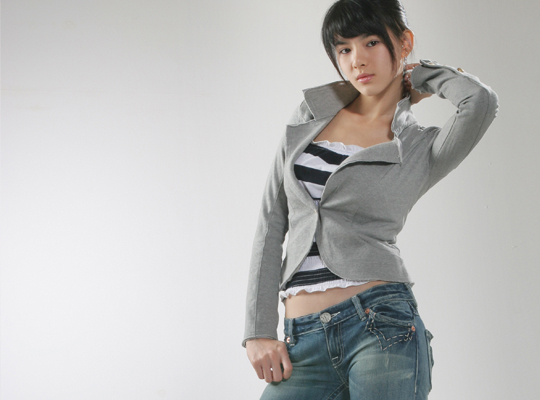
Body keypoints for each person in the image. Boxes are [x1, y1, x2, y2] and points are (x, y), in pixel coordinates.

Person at [243, 0, 499, 398]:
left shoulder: (419, 148)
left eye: (372, 42)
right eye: (344, 49)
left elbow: (480, 102)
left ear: (403, 43)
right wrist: (258, 330)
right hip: (301, 339)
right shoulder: (310, 114)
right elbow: (271, 221)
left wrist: (423, 75)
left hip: (381, 326)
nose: (357, 60)